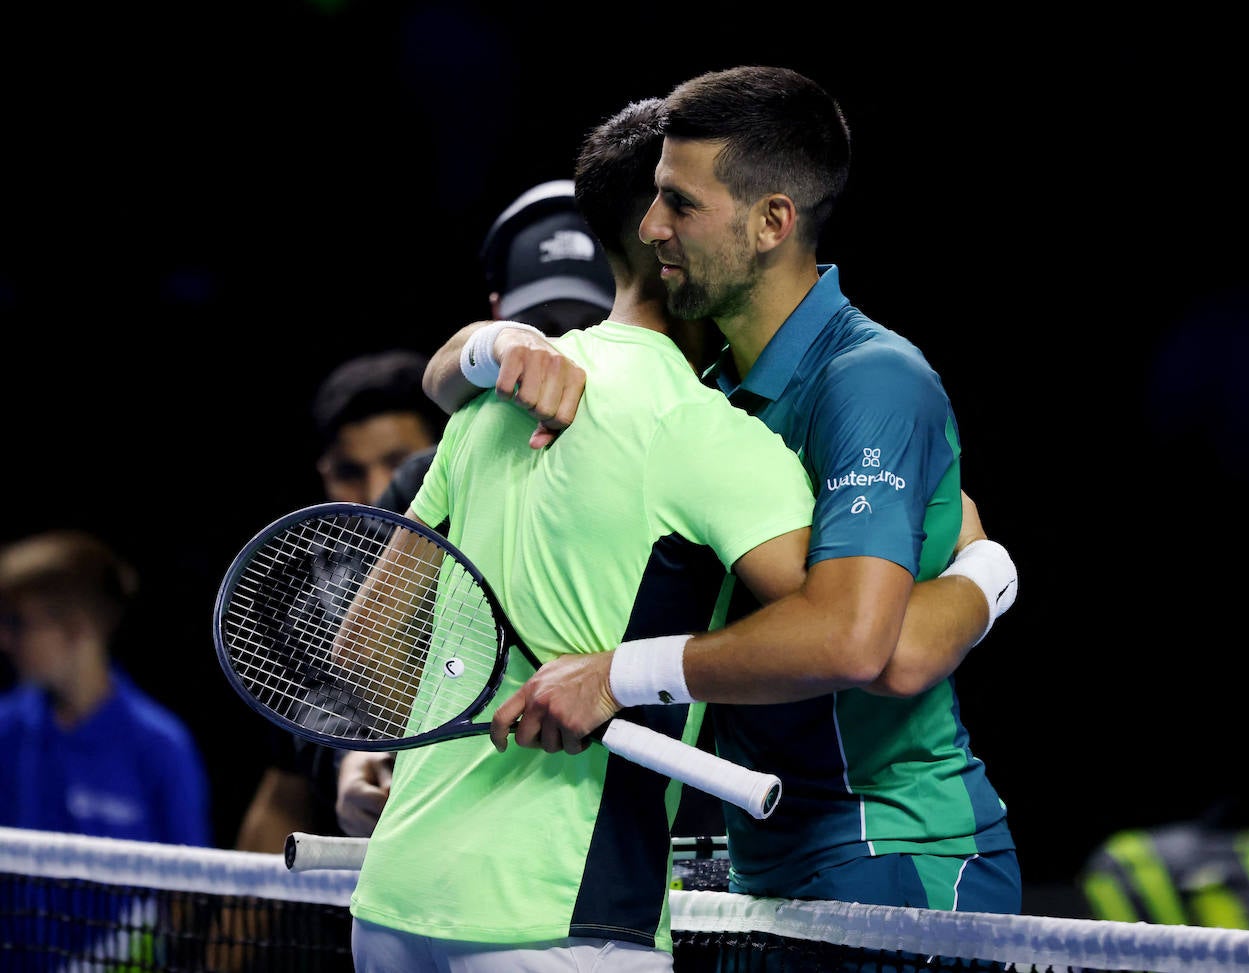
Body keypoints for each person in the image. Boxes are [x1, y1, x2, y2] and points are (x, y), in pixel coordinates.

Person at [349, 96, 1011, 971]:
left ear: (770, 221)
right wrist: (987, 564)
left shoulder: (864, 382)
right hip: (673, 884)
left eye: (683, 204)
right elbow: (871, 644)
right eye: (656, 202)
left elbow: (876, 650)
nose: (661, 224)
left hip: (885, 852)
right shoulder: (698, 410)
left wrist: (989, 572)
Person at [330, 180, 621, 840]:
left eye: (584, 326)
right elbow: (358, 660)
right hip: (462, 841)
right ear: (497, 314)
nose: (558, 355)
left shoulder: (673, 450)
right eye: (541, 331)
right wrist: (362, 754)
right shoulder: (428, 474)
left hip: (635, 845)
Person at [233, 348, 449, 854]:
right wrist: (349, 761)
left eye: (397, 464)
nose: (377, 492)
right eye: (350, 472)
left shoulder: (497, 552)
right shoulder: (299, 591)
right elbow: (283, 782)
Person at [0, 529, 212, 845]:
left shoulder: (161, 746)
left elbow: (188, 888)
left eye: (17, 622)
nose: (3, 640)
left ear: (76, 629)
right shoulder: (6, 728)